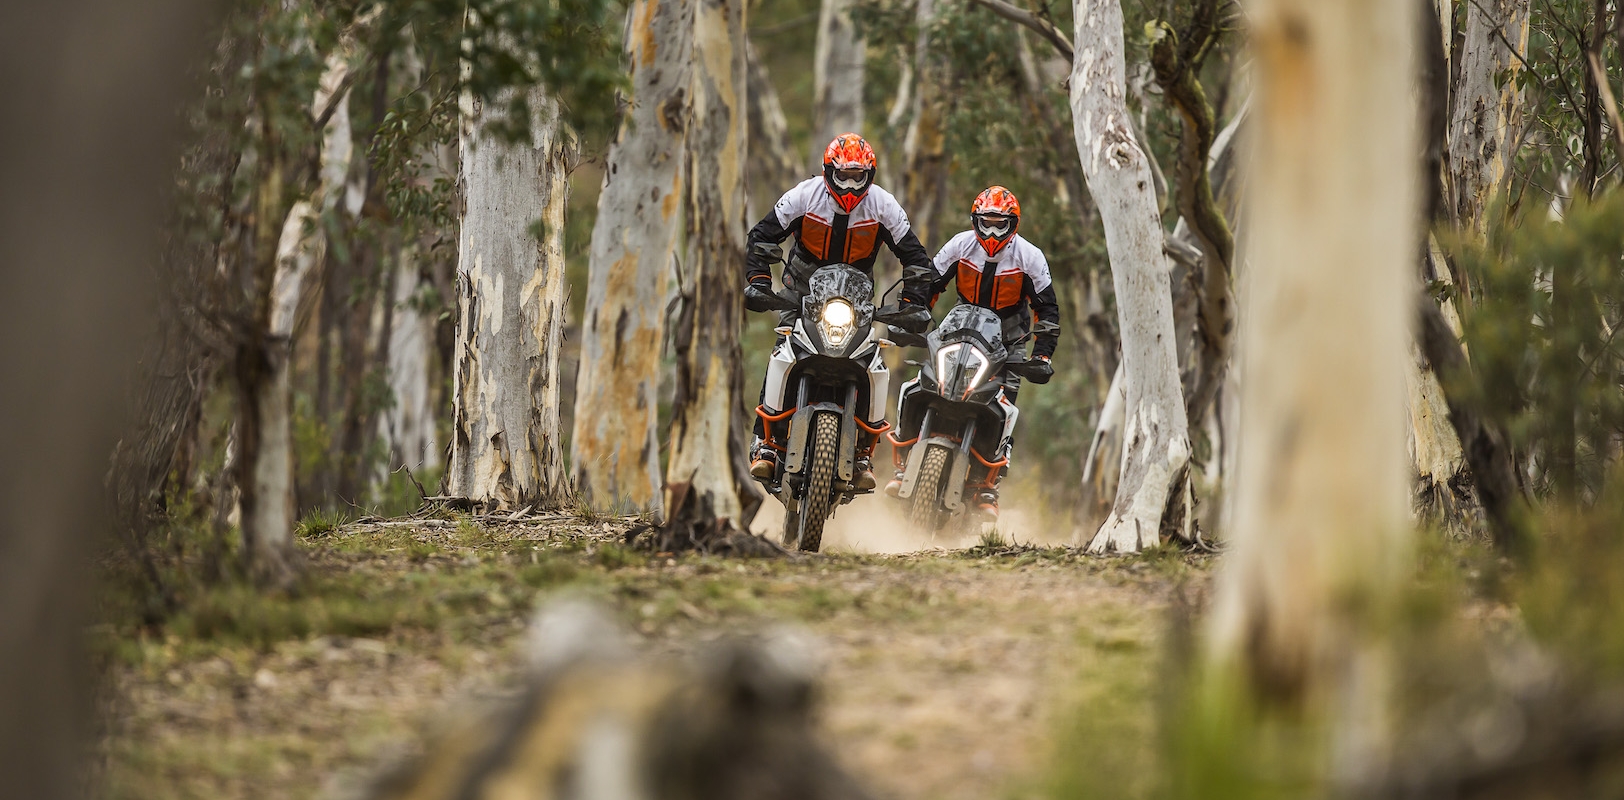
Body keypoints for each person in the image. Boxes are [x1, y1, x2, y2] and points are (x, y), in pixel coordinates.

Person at [743, 133, 935, 491]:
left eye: (857, 177)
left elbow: (916, 259)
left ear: (869, 176)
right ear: (828, 172)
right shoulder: (803, 196)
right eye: (843, 175)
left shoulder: (884, 206)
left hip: (856, 296)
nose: (849, 185)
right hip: (802, 289)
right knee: (783, 349)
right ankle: (766, 443)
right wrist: (759, 281)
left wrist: (912, 302)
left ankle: (863, 454)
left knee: (872, 360)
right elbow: (761, 236)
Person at [885, 186, 1059, 517]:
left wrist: (1042, 354)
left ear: (1013, 224)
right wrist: (912, 318)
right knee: (919, 385)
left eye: (1000, 224)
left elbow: (1047, 311)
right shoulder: (959, 245)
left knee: (1005, 405)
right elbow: (929, 285)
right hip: (959, 328)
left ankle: (987, 486)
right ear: (975, 221)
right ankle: (903, 464)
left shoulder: (1030, 257)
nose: (991, 232)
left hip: (1010, 339)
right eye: (985, 223)